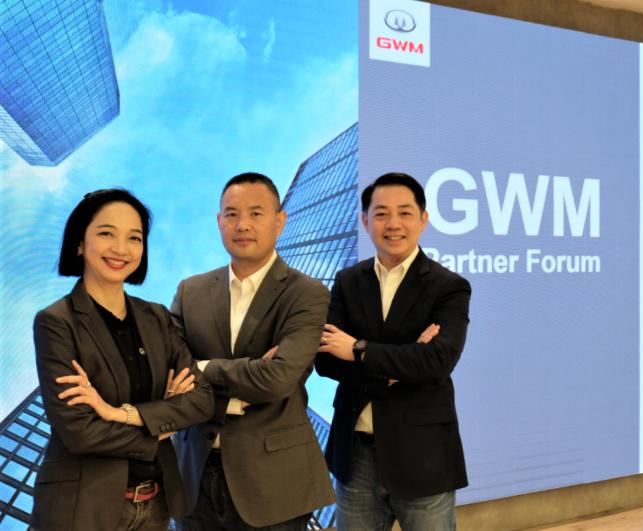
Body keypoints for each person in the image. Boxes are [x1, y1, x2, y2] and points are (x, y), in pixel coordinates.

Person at [31, 189, 215, 531]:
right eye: (106, 233)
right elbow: (80, 432)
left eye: (134, 238)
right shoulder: (56, 322)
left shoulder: (157, 317)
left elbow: (202, 400)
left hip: (156, 507)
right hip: (81, 510)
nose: (121, 248)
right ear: (79, 243)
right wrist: (164, 423)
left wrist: (121, 414)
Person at [171, 172, 334, 530]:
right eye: (231, 214)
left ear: (279, 221)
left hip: (274, 484)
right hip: (193, 479)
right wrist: (243, 380)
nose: (242, 224)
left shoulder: (308, 293)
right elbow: (169, 374)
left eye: (256, 213)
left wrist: (203, 367)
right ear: (219, 221)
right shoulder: (190, 291)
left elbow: (278, 378)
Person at [316, 172, 472, 530]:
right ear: (365, 220)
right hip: (355, 455)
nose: (393, 224)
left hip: (423, 455)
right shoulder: (347, 281)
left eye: (404, 212)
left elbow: (437, 361)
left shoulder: (449, 287)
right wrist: (399, 364)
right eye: (381, 213)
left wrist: (357, 349)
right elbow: (325, 359)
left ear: (423, 219)